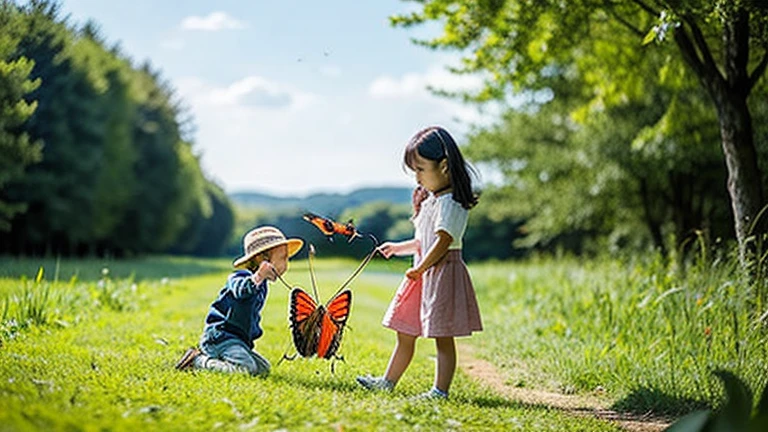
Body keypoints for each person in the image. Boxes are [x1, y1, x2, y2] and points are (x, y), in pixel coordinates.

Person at [357, 126, 482, 399]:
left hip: (441, 273)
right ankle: (387, 381)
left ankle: (440, 390)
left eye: (421, 169)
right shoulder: (431, 201)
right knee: (405, 329)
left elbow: (442, 242)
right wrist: (398, 248)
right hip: (423, 273)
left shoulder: (451, 203)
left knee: (442, 335)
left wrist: (421, 268)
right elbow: (422, 242)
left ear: (445, 166)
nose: (417, 177)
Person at [174, 226, 303, 376]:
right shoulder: (240, 277)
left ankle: (220, 359)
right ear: (263, 259)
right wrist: (258, 277)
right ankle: (197, 361)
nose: (286, 264)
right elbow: (241, 291)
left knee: (263, 369)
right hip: (221, 337)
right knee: (245, 369)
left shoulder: (262, 286)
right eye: (283, 258)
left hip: (238, 341)